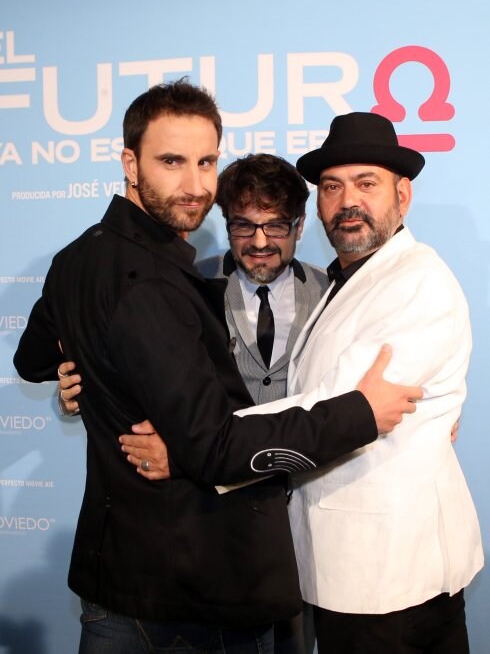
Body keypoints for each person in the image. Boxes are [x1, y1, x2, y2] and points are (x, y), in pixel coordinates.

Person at [13, 82, 420, 654]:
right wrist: (362, 414)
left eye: (206, 161)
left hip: (130, 575)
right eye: (172, 161)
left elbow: (31, 357)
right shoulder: (157, 284)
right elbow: (213, 446)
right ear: (130, 162)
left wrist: (86, 363)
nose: (195, 184)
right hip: (195, 582)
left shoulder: (78, 255)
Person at [58, 152, 328, 653]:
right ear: (224, 224)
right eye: (244, 226)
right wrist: (78, 389)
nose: (261, 242)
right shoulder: (181, 284)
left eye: (276, 226)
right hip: (215, 529)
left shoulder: (332, 293)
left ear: (299, 225)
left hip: (307, 520)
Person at [245, 112, 483, 653]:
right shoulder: (348, 278)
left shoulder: (418, 281)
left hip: (392, 579)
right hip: (346, 567)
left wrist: (201, 443)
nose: (347, 200)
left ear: (404, 196)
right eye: (332, 187)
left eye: (366, 183)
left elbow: (335, 411)